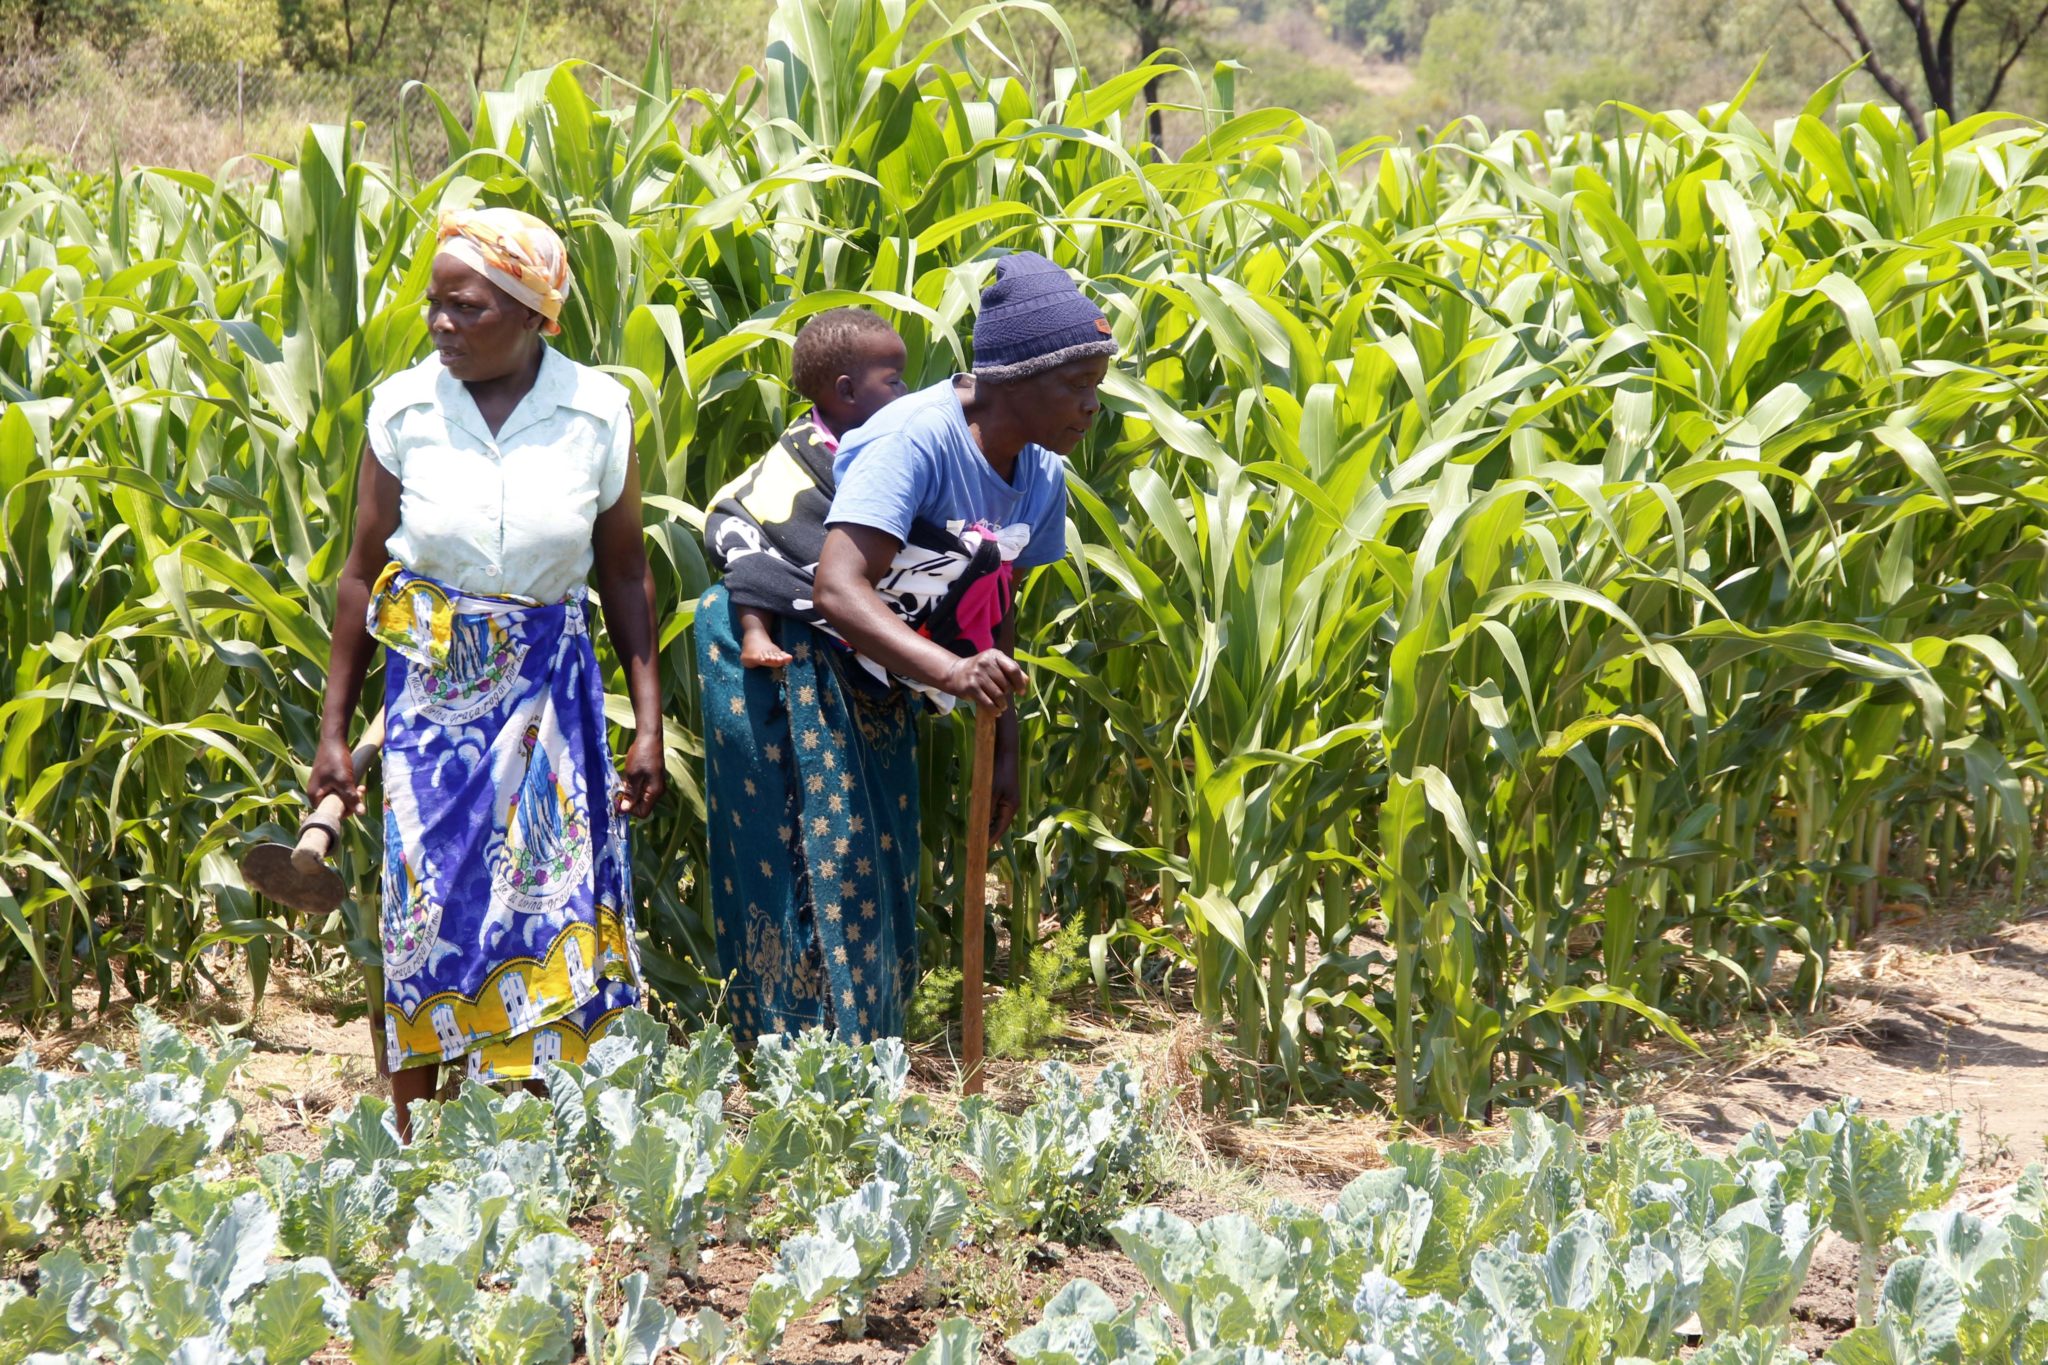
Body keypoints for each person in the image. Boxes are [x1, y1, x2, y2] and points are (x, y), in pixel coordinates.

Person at [695, 251, 1115, 1044]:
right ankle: (792, 1076)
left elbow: (996, 602)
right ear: (1009, 378)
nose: (1092, 406)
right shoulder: (913, 440)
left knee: (877, 862)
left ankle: (866, 1070)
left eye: (1097, 384)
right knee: (808, 857)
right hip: (783, 642)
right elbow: (837, 588)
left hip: (879, 658)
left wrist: (1007, 749)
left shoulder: (1041, 475)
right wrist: (954, 671)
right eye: (1075, 385)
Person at [310, 207, 665, 1139]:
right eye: (434, 304)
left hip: (550, 693)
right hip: (432, 699)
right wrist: (334, 732)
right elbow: (358, 573)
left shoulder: (596, 412)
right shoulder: (404, 409)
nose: (441, 323)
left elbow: (626, 573)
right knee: (425, 907)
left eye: (465, 307)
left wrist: (651, 722)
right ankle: (419, 1137)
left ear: (532, 312)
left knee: (541, 908)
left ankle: (521, 1146)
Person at [710, 308, 909, 670]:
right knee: (749, 554)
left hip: (834, 577)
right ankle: (755, 632)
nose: (906, 390)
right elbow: (765, 501)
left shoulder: (888, 443)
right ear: (846, 390)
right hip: (768, 535)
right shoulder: (807, 445)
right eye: (894, 381)